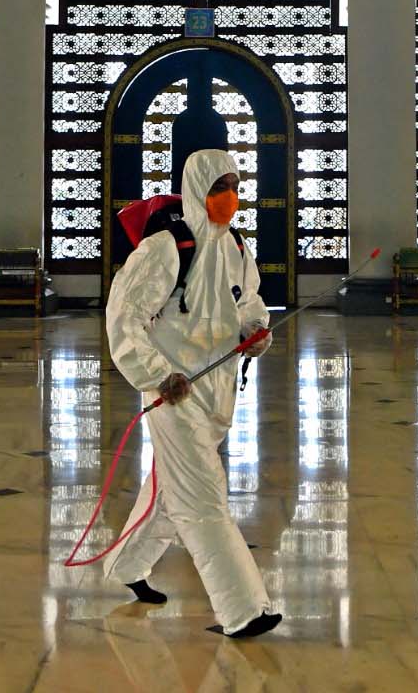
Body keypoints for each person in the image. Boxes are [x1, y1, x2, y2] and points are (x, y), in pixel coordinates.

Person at [103, 148, 283, 639]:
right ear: (196, 189)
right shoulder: (165, 247)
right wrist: (158, 374)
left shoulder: (236, 248)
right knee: (203, 496)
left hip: (217, 395)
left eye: (234, 185)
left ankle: (126, 565)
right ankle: (244, 609)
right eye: (219, 186)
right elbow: (125, 321)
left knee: (171, 489)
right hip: (173, 394)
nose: (229, 197)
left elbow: (249, 304)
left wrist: (257, 332)